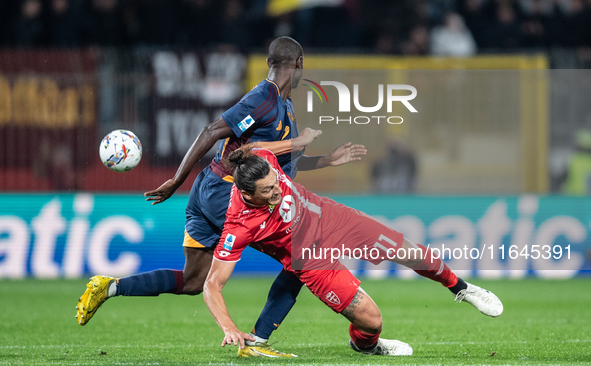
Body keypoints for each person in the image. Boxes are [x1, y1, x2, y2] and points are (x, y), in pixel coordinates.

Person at [75, 37, 366, 358]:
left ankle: (110, 286)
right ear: (299, 64)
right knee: (302, 253)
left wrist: (325, 160)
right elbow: (212, 131)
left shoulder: (284, 106)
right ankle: (257, 341)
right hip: (228, 194)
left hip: (208, 190)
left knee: (193, 281)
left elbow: (280, 163)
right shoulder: (263, 98)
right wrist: (175, 180)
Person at [203, 146, 503, 356]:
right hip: (310, 259)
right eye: (267, 191)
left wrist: (319, 155)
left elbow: (267, 150)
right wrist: (228, 327)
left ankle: (462, 288)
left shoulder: (263, 160)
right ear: (245, 194)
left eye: (275, 182)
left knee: (411, 252)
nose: (277, 190)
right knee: (372, 321)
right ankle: (367, 346)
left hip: (330, 218)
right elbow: (212, 285)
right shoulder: (238, 226)